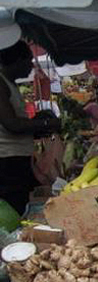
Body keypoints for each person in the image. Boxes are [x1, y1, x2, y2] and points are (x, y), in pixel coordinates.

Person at [0, 41, 61, 214]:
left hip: (16, 158)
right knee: (13, 207)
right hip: (7, 161)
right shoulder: (1, 84)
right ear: (17, 60)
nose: (32, 67)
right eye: (29, 61)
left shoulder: (9, 84)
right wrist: (46, 123)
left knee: (20, 204)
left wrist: (37, 123)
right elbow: (12, 124)